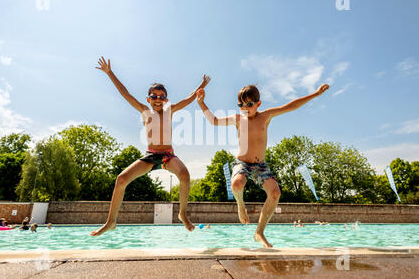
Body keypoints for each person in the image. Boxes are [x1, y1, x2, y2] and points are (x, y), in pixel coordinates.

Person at [197, 83, 329, 247]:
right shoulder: (238, 119)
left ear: (258, 104)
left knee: (275, 193)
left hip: (260, 166)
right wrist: (201, 103)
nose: (245, 108)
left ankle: (259, 232)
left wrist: (315, 94)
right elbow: (214, 121)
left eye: (249, 104)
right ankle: (240, 206)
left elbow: (291, 106)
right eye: (241, 105)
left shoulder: (265, 116)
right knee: (237, 185)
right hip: (242, 163)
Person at [91, 56, 210, 236]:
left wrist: (202, 85)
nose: (158, 99)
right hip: (149, 156)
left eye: (162, 97)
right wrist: (110, 73)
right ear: (148, 99)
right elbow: (126, 94)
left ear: (166, 100)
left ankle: (182, 214)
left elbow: (189, 98)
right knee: (121, 179)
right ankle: (111, 221)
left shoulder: (170, 110)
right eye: (154, 96)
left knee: (184, 175)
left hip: (168, 156)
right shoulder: (144, 110)